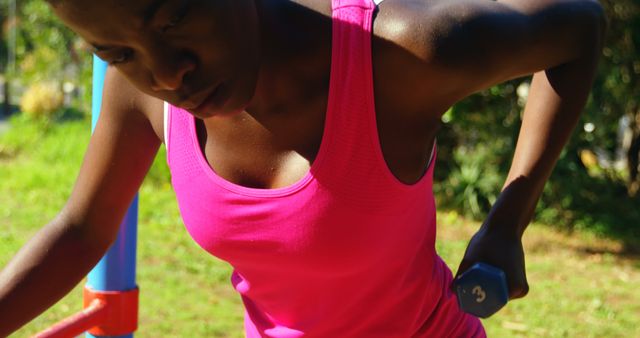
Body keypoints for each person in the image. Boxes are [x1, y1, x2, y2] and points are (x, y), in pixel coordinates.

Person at [0, 0, 605, 336]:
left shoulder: (397, 54)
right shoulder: (145, 96)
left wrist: (508, 221)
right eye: (118, 52)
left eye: (176, 15)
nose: (166, 72)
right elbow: (82, 228)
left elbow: (579, 28)